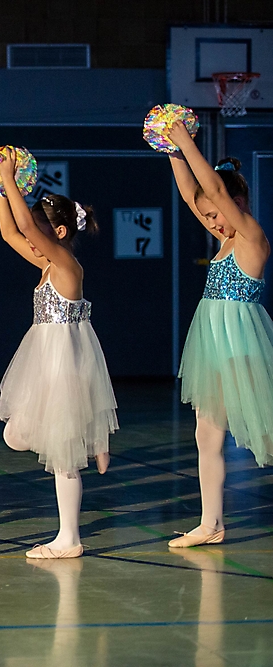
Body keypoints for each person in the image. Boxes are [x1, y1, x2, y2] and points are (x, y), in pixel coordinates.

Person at [0, 150, 117, 559]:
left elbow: (25, 226)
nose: (31, 240)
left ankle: (69, 538)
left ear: (60, 233)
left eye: (40, 234)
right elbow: (11, 233)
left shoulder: (66, 264)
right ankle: (89, 438)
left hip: (66, 362)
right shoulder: (46, 264)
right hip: (44, 362)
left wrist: (10, 178)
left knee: (62, 456)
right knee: (15, 436)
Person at [163, 120, 273, 547]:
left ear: (237, 203)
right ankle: (211, 524)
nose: (211, 223)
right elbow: (194, 195)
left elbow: (212, 190)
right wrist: (171, 152)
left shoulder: (251, 237)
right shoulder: (225, 238)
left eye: (216, 214)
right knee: (206, 434)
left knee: (264, 430)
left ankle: (212, 524)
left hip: (241, 345)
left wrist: (185, 141)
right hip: (213, 345)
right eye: (207, 217)